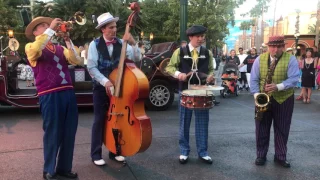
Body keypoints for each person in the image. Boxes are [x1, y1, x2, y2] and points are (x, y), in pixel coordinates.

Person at [25, 16, 83, 180]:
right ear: (35, 32)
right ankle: (48, 169)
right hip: (49, 94)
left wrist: (67, 39)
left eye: (47, 25)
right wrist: (51, 29)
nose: (46, 27)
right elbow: (36, 50)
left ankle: (64, 168)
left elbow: (77, 60)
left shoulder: (59, 48)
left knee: (69, 132)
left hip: (68, 92)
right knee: (52, 132)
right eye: (42, 26)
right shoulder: (31, 46)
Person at [87, 12, 137, 166]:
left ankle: (115, 151)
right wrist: (105, 81)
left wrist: (133, 44)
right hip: (101, 88)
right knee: (99, 120)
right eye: (111, 27)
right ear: (103, 29)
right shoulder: (94, 45)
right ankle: (96, 154)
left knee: (118, 119)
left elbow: (136, 60)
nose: (114, 30)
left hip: (120, 87)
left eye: (115, 27)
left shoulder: (123, 43)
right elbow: (92, 68)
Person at [166, 25, 215, 164]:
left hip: (202, 92)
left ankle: (203, 152)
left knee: (202, 123)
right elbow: (170, 67)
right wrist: (179, 74)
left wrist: (210, 76)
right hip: (185, 91)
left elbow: (211, 69)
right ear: (190, 37)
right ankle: (184, 151)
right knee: (184, 122)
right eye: (198, 36)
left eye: (202, 36)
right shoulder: (179, 51)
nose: (201, 39)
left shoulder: (207, 52)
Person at [250, 36, 299, 168]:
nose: (275, 49)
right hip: (263, 98)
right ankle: (261, 155)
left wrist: (278, 86)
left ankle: (280, 156)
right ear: (268, 47)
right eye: (272, 46)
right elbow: (254, 79)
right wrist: (257, 96)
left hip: (284, 98)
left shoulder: (291, 59)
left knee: (282, 128)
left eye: (278, 47)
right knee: (261, 128)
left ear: (283, 47)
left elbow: (294, 78)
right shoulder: (259, 59)